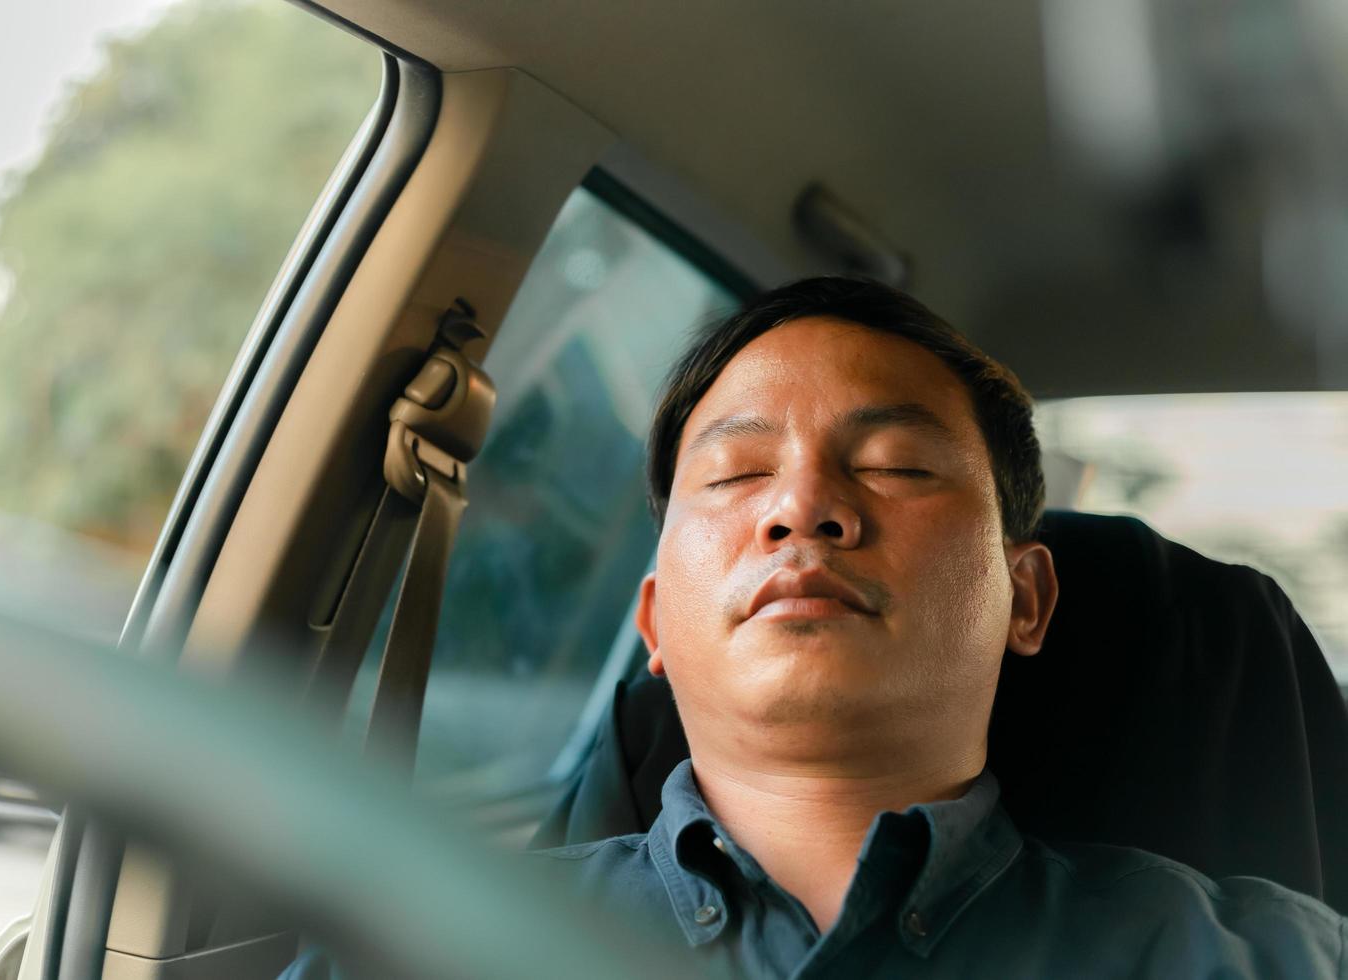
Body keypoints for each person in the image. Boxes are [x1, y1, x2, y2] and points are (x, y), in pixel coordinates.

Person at [528, 276, 1346, 977]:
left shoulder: (1262, 958)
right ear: (654, 622)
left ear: (1025, 597)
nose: (802, 507)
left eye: (894, 466)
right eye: (737, 473)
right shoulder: (435, 936)